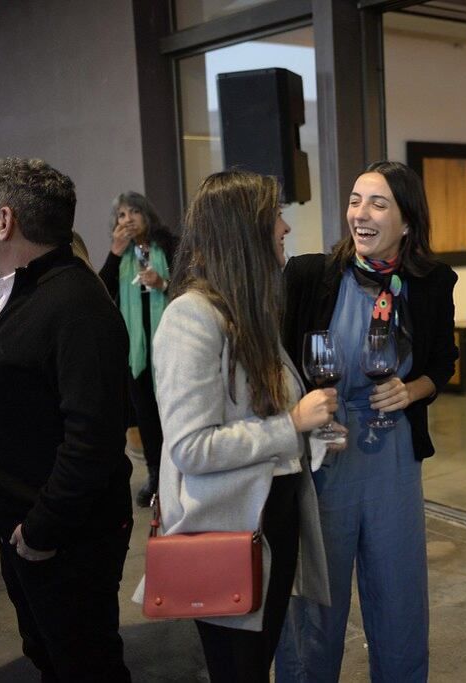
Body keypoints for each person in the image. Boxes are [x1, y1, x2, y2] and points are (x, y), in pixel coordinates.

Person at [143, 170, 334, 682]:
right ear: (243, 231)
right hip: (229, 534)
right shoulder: (192, 318)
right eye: (275, 216)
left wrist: (314, 436)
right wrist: (293, 424)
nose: (285, 228)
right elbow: (190, 447)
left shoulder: (248, 313)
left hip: (271, 520)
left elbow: (267, 419)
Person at [276, 161, 458, 683]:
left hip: (392, 454)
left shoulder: (429, 283)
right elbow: (282, 365)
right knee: (315, 600)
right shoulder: (310, 276)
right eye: (356, 200)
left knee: (397, 595)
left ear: (406, 221)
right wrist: (304, 410)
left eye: (378, 204)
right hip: (323, 453)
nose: (361, 213)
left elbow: (442, 364)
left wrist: (412, 390)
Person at [0, 157, 133, 680]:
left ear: (5, 221)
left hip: (60, 538)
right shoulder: (26, 291)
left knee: (84, 665)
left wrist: (40, 531)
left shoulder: (76, 304)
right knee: (52, 658)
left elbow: (93, 440)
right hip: (27, 531)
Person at [99, 191, 177, 507]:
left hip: (171, 347)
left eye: (133, 212)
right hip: (137, 352)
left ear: (146, 215)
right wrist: (115, 253)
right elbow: (100, 293)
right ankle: (157, 475)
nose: (127, 219)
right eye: (121, 214)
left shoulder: (170, 246)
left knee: (172, 412)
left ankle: (179, 474)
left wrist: (163, 284)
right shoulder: (121, 255)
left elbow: (192, 287)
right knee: (146, 416)